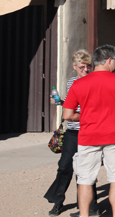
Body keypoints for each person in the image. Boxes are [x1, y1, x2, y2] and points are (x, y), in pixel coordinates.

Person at [63, 45, 115, 217]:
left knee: (85, 180)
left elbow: (67, 114)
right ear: (108, 60)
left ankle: (84, 215)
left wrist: (83, 117)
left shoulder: (79, 83)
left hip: (88, 136)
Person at [44, 49, 99, 217]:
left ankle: (91, 207)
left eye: (89, 66)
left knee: (86, 171)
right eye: (82, 67)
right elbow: (72, 104)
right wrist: (60, 102)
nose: (86, 70)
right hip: (73, 131)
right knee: (64, 167)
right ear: (74, 66)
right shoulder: (71, 82)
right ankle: (58, 201)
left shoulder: (95, 81)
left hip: (90, 131)